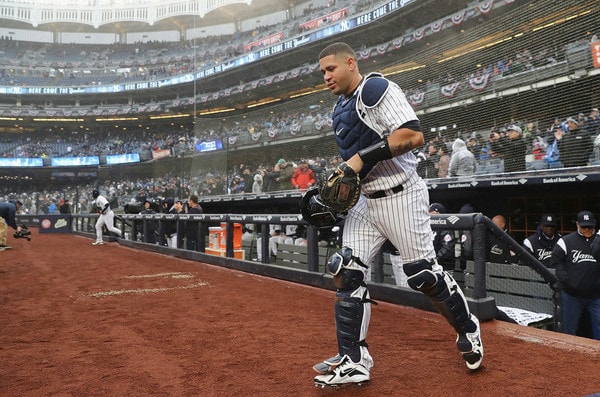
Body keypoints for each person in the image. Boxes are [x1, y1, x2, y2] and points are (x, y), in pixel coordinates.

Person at [312, 42, 483, 388]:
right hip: (367, 201)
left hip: (401, 194)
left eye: (331, 69)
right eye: (322, 72)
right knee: (345, 271)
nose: (326, 76)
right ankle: (354, 360)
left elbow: (413, 134)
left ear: (350, 62)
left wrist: (360, 159)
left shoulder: (375, 89)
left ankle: (468, 328)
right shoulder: (340, 106)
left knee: (423, 276)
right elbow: (355, 162)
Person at [551, 211, 600, 340]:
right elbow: (556, 260)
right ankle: (570, 358)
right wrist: (565, 279)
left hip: (597, 295)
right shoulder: (566, 241)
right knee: (569, 329)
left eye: (590, 226)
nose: (587, 229)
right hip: (572, 295)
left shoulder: (599, 241)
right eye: (584, 226)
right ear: (577, 224)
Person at [429, 203, 457, 274]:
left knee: (446, 283)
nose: (430, 215)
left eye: (432, 213)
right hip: (433, 264)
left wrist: (436, 258)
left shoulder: (445, 227)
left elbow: (448, 246)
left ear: (438, 213)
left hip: (445, 266)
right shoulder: (431, 227)